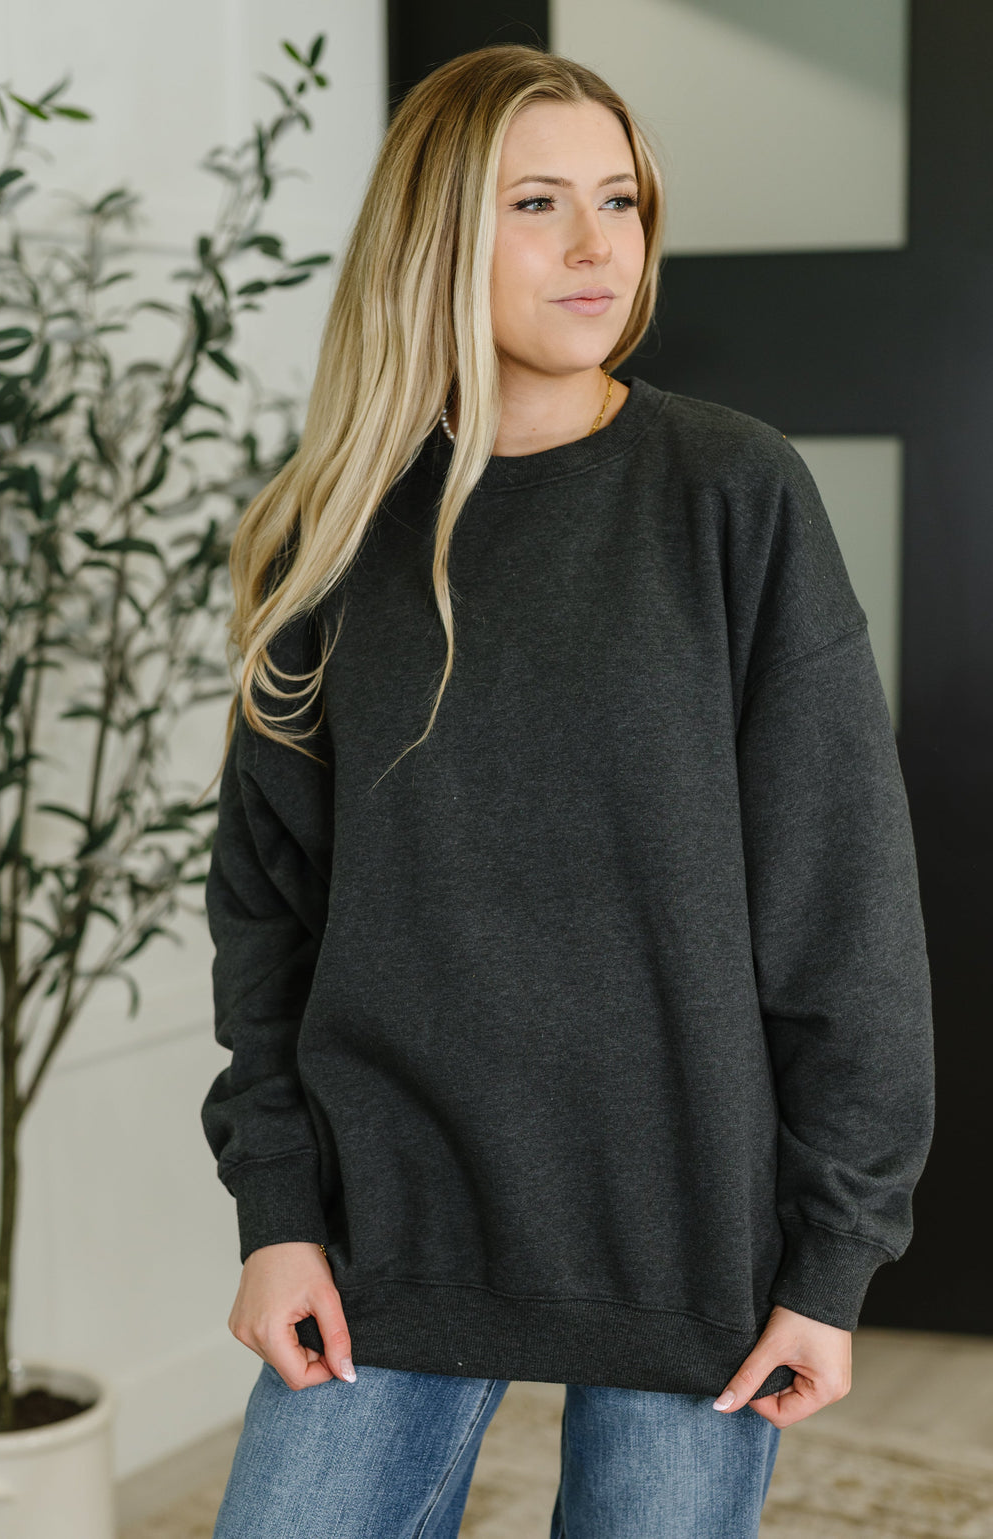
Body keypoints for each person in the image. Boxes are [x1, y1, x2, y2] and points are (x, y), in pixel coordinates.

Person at [200, 41, 935, 1539]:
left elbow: (842, 898)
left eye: (622, 200)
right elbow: (267, 920)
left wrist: (832, 1256)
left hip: (687, 1238)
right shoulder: (328, 534)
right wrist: (275, 1216)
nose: (599, 244)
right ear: (435, 236)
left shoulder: (732, 493)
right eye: (537, 202)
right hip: (387, 1227)